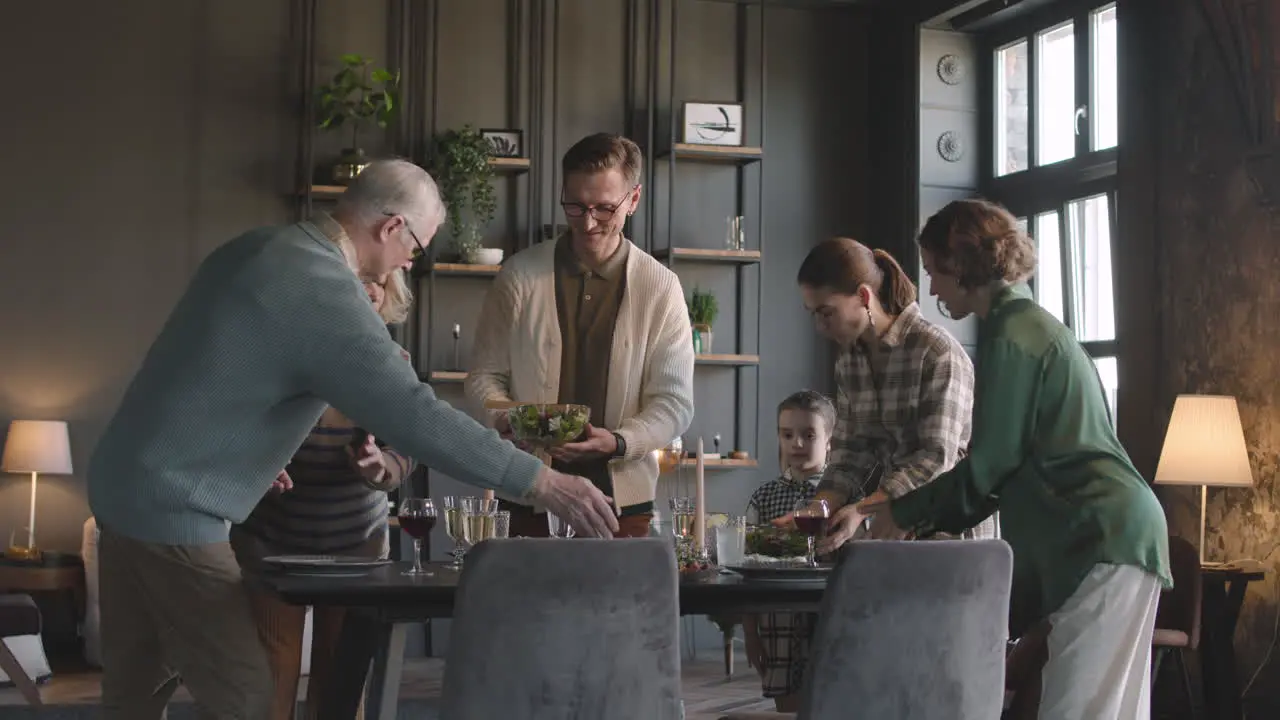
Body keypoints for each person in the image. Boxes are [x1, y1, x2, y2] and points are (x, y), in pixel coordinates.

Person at [86, 159, 619, 720]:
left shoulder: (260, 248)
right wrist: (543, 482)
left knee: (133, 694)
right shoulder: (322, 288)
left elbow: (209, 372)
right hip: (175, 512)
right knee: (247, 697)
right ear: (391, 227)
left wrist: (247, 454)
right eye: (416, 245)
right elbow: (418, 417)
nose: (412, 260)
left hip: (121, 489)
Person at [853, 198, 1170, 720]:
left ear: (962, 264)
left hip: (1101, 534)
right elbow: (998, 472)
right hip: (1114, 534)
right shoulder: (1025, 325)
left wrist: (901, 512)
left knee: (1079, 711)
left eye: (934, 271)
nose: (930, 288)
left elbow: (990, 466)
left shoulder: (1014, 334)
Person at [466, 133, 695, 538]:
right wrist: (511, 421)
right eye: (574, 206)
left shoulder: (660, 287)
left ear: (633, 199)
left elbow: (674, 403)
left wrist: (620, 442)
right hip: (526, 495)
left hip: (622, 506)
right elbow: (484, 378)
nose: (588, 223)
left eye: (605, 209)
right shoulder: (519, 276)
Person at [230, 271, 415, 720]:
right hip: (272, 547)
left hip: (356, 549)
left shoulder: (393, 363)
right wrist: (258, 460)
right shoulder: (275, 354)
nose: (372, 288)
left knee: (340, 695)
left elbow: (407, 448)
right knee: (265, 696)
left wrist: (380, 467)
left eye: (381, 280)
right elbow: (231, 430)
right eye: (361, 277)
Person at [783, 237, 997, 545]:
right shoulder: (849, 362)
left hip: (951, 533)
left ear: (863, 296)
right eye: (813, 313)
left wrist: (861, 509)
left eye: (827, 312)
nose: (820, 326)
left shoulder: (936, 352)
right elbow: (849, 455)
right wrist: (819, 510)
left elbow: (936, 458)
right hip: (892, 531)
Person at [741, 390, 835, 711]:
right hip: (776, 621)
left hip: (828, 618)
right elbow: (746, 567)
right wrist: (751, 634)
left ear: (829, 440)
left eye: (809, 435)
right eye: (787, 434)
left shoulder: (842, 499)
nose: (797, 444)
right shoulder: (763, 498)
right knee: (788, 707)